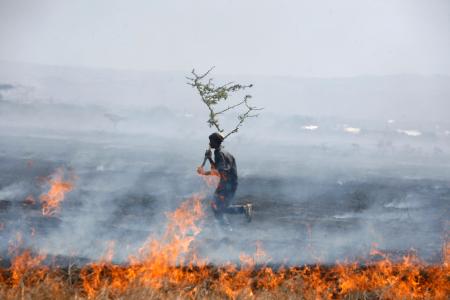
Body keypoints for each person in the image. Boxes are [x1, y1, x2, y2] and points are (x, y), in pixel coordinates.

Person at [197, 132, 252, 230]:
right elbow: (219, 168)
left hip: (228, 184)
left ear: (216, 141)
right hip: (228, 183)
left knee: (218, 207)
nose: (210, 143)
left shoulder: (219, 153)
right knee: (217, 206)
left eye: (211, 141)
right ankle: (227, 228)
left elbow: (221, 170)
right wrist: (209, 158)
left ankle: (241, 211)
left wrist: (204, 173)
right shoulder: (223, 152)